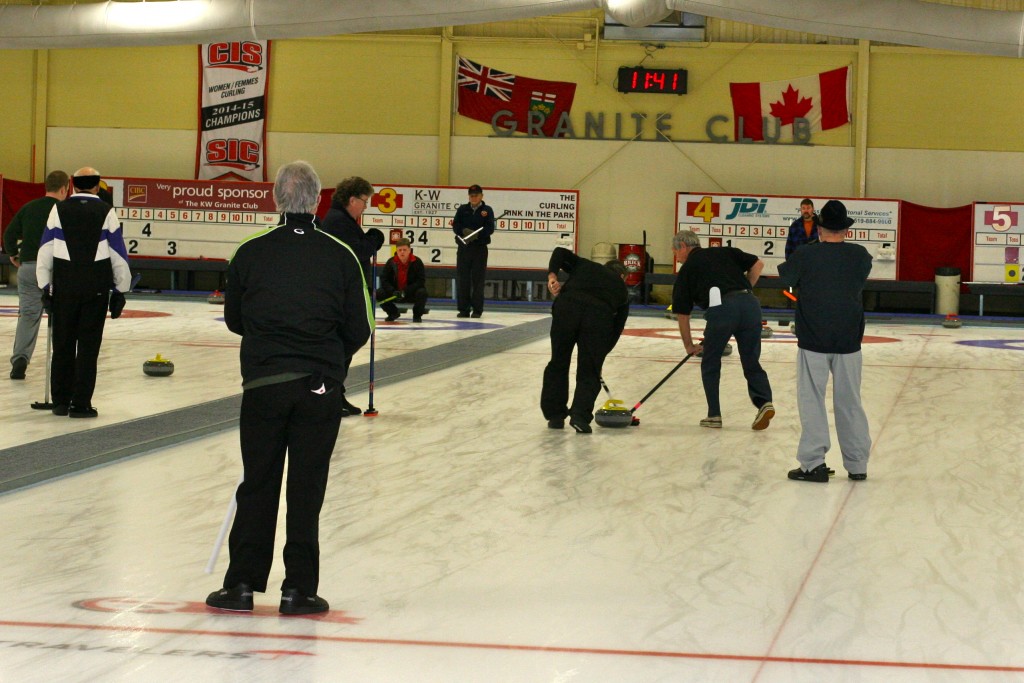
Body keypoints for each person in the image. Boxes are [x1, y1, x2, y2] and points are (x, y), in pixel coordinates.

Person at [207, 161, 372, 616]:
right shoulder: (341, 254)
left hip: (263, 383)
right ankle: (298, 589)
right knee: (306, 486)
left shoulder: (250, 250)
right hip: (319, 385)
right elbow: (361, 326)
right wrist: (329, 363)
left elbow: (235, 318)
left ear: (276, 198)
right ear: (318, 200)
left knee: (258, 482)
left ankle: (241, 584)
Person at [777, 200, 873, 482]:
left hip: (813, 338)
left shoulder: (806, 255)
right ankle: (857, 465)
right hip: (848, 338)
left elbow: (787, 280)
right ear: (846, 229)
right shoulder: (860, 255)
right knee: (850, 402)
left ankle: (813, 463)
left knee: (812, 401)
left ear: (819, 228)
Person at [36, 167, 131, 418]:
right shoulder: (106, 211)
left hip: (64, 288)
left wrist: (45, 286)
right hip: (96, 290)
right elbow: (118, 254)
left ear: (73, 185)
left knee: (63, 345)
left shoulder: (59, 209)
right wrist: (121, 290)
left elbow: (45, 249)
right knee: (88, 348)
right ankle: (80, 404)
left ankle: (60, 402)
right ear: (97, 185)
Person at [671, 229, 774, 430]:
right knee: (751, 360)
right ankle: (764, 402)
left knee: (711, 361)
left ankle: (714, 415)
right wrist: (747, 290)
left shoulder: (687, 270)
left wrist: (689, 346)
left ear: (683, 246)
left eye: (675, 252)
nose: (676, 257)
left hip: (721, 309)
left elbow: (683, 315)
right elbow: (758, 264)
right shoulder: (724, 252)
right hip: (751, 305)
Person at [541, 247, 629, 434]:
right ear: (621, 276)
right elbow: (617, 328)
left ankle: (555, 416)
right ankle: (579, 417)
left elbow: (559, 252)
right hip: (598, 318)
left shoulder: (585, 265)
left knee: (558, 362)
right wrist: (600, 355)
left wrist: (552, 276)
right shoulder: (622, 290)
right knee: (589, 369)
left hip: (567, 309)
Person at [320, 176, 385, 417]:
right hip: (342, 295)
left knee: (352, 338)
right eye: (364, 201)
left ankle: (335, 391)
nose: (365, 206)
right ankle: (331, 390)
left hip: (346, 292)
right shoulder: (338, 222)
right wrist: (373, 240)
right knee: (350, 337)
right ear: (352, 199)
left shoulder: (343, 220)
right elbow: (356, 252)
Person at [4, 170, 69, 380]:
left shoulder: (29, 207)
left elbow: (8, 234)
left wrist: (13, 254)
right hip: (57, 270)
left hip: (29, 267)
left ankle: (20, 360)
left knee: (29, 316)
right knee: (61, 317)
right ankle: (62, 365)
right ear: (64, 189)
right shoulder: (65, 209)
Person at [452, 184, 495, 318]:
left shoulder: (487, 210)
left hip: (479, 249)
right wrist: (464, 232)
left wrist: (476, 235)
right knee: (463, 279)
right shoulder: (462, 209)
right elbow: (456, 226)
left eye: (476, 195)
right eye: (471, 195)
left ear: (481, 196)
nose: (474, 197)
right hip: (464, 248)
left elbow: (490, 229)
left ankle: (477, 310)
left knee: (478, 279)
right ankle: (463, 309)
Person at [378, 237, 428, 323]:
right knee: (379, 293)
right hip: (394, 294)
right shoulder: (391, 262)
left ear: (409, 250)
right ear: (396, 250)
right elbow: (384, 279)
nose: (402, 252)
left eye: (404, 250)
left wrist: (406, 291)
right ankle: (393, 313)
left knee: (422, 292)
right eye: (400, 250)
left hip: (410, 293)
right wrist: (392, 291)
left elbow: (421, 281)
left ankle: (417, 315)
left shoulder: (417, 262)